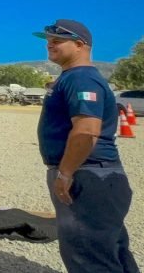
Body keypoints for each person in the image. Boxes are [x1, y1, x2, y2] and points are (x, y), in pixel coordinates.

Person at [34, 19, 138, 273]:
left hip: (87, 176)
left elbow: (86, 131)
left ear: (80, 45)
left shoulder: (81, 79)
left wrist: (65, 173)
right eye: (48, 40)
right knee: (109, 248)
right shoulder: (74, 77)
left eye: (57, 41)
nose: (49, 45)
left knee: (87, 255)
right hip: (97, 175)